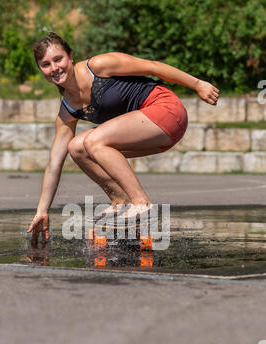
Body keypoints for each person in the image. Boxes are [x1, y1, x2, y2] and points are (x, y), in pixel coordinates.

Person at [27, 32, 219, 242]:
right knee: (76, 148)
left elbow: (153, 67)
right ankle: (121, 201)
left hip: (167, 110)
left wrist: (198, 84)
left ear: (70, 56)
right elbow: (55, 163)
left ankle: (141, 203)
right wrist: (42, 211)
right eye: (45, 64)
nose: (54, 68)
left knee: (94, 141)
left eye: (58, 59)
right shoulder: (68, 110)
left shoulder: (99, 65)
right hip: (152, 134)